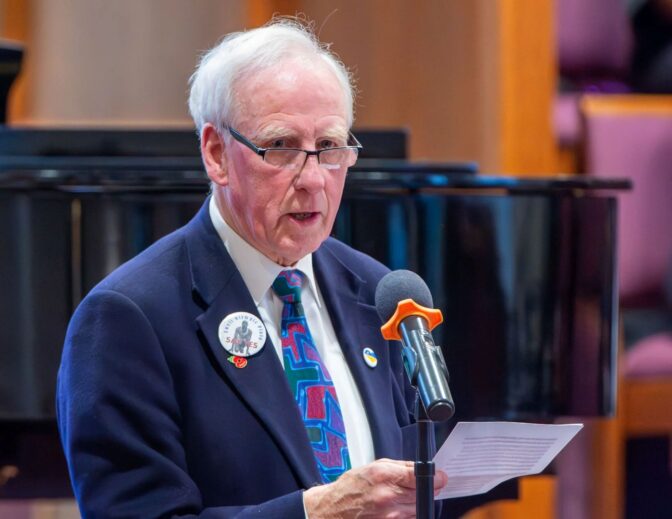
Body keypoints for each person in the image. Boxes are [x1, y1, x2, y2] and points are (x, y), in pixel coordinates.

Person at [57, 18, 447, 518]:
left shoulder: (375, 291)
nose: (312, 180)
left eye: (329, 148)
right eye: (281, 147)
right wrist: (315, 513)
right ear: (216, 153)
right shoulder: (129, 318)